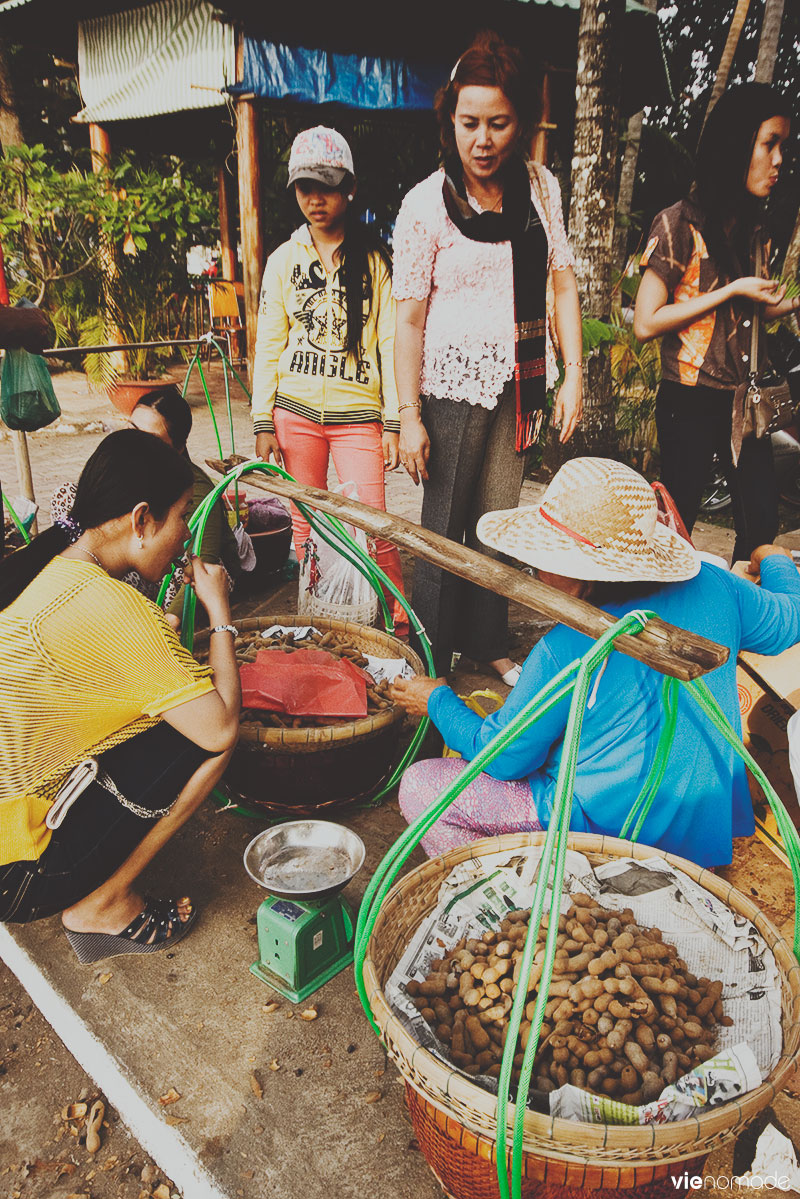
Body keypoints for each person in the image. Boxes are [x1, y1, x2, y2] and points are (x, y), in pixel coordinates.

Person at [393, 457, 800, 869]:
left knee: (422, 786)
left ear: (584, 572)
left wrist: (437, 701)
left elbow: (502, 759)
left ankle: (505, 894)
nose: (534, 570)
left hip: (609, 830)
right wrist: (774, 556)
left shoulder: (566, 646)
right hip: (701, 830)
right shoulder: (719, 586)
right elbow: (791, 619)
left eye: (544, 557)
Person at [0, 429, 241, 961]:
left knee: (170, 710)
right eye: (180, 516)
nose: (184, 533)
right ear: (142, 520)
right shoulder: (112, 607)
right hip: (14, 877)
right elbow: (219, 725)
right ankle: (102, 904)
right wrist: (221, 616)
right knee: (207, 742)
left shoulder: (58, 568)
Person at [391, 31, 583, 682]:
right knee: (445, 528)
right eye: (469, 122)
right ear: (450, 120)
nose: (483, 139)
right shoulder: (426, 205)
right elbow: (409, 317)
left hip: (521, 385)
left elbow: (561, 278)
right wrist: (408, 414)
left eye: (498, 123)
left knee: (500, 522)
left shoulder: (540, 187)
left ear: (521, 121)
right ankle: (430, 653)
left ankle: (488, 640)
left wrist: (574, 372)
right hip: (449, 386)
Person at [251, 125, 407, 634]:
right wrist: (262, 421)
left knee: (375, 526)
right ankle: (323, 626)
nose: (315, 199)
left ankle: (400, 632)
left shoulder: (376, 261)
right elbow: (269, 344)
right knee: (306, 529)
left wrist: (392, 422)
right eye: (304, 187)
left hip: (359, 415)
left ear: (350, 188)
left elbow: (389, 341)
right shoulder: (281, 261)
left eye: (327, 185)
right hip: (293, 416)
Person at [634, 83, 797, 564]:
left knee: (761, 524)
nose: (780, 159)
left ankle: (741, 627)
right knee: (677, 524)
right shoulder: (677, 224)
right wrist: (730, 289)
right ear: (736, 144)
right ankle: (666, 627)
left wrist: (784, 305)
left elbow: (753, 309)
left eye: (784, 146)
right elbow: (645, 321)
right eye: (770, 143)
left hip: (744, 399)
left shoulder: (754, 229)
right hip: (689, 396)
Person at [51, 385, 241, 615]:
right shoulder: (119, 469)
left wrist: (172, 620)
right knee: (68, 494)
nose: (135, 444)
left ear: (178, 448)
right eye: (132, 430)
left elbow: (205, 558)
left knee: (187, 569)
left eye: (149, 439)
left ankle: (155, 615)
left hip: (187, 573)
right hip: (125, 568)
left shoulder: (193, 488)